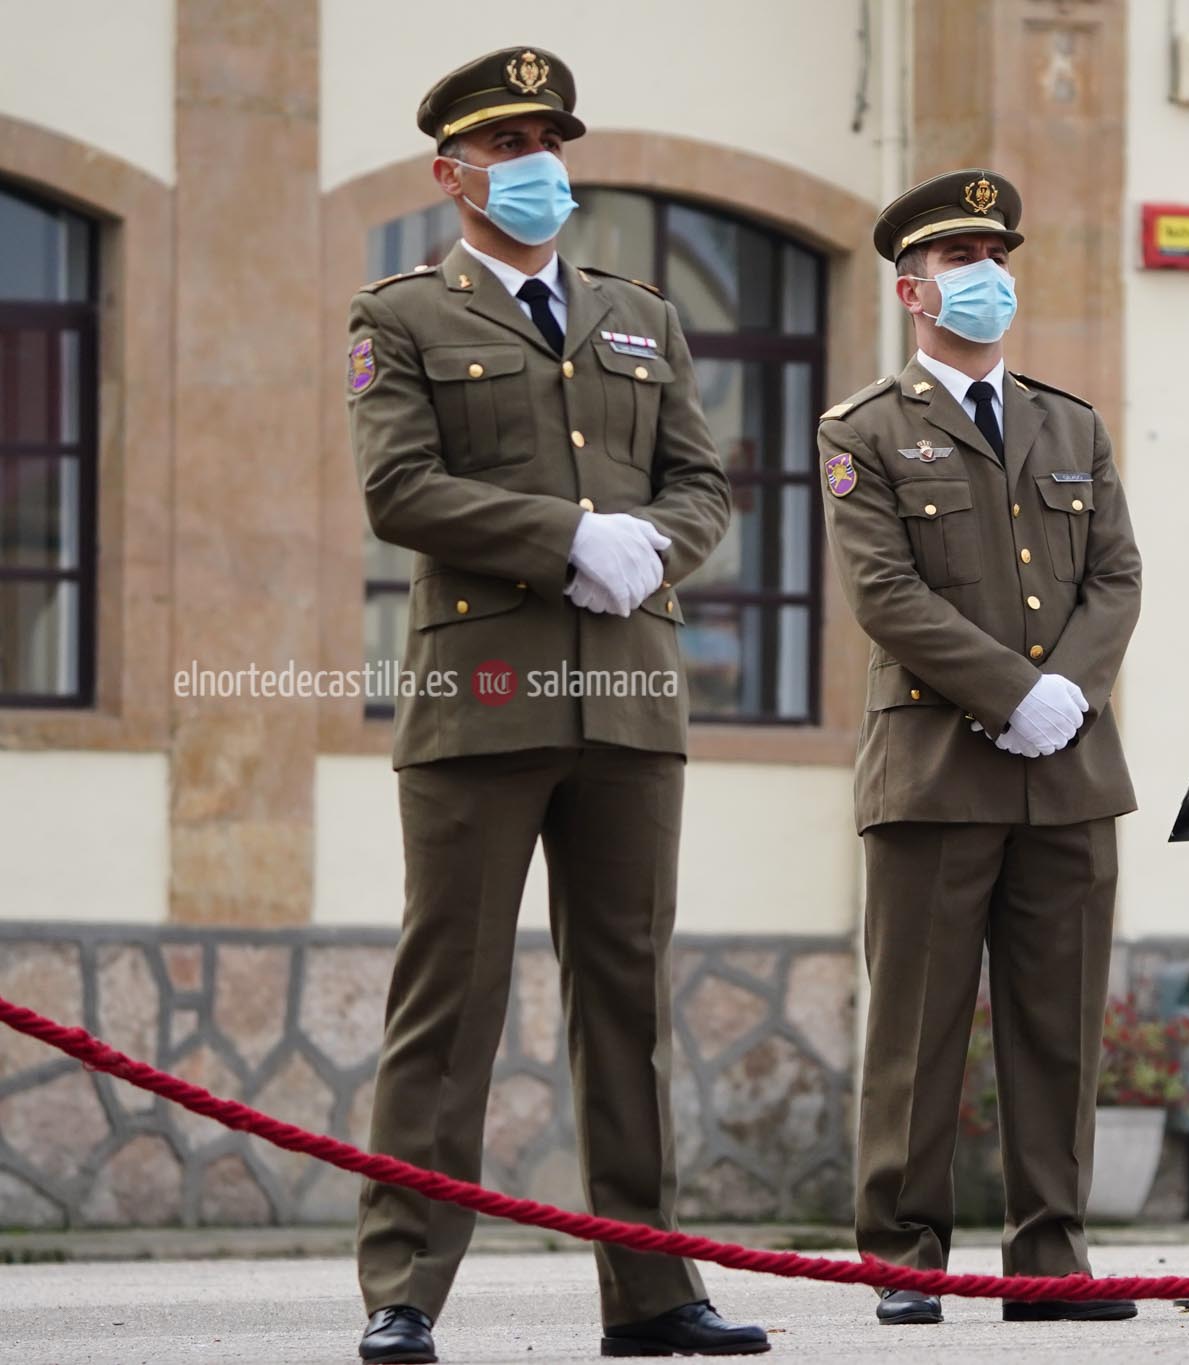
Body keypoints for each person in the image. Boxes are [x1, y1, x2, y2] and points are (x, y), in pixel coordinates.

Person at [345, 45, 766, 1362]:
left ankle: (652, 1295)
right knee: (450, 1001)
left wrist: (652, 548)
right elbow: (398, 490)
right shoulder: (401, 316)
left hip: (629, 699)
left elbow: (701, 483)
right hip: (481, 699)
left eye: (548, 144)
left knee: (628, 1006)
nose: (536, 166)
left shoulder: (639, 315)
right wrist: (567, 536)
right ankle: (404, 1289)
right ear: (452, 174)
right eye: (508, 146)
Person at [817, 168, 1144, 1327]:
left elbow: (1115, 576)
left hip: (1069, 771)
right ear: (911, 290)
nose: (986, 276)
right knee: (918, 1031)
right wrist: (1010, 693)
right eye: (960, 260)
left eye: (996, 257)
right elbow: (884, 593)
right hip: (935, 773)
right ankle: (904, 1259)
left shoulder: (1071, 424)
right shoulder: (862, 430)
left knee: (1059, 1031)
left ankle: (1047, 1260)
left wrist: (1067, 694)